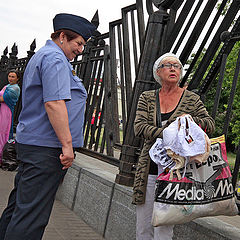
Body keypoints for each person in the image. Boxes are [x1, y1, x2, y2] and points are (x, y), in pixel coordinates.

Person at [0, 13, 96, 240]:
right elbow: (54, 103)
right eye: (79, 43)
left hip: (34, 144)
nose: (81, 50)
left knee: (20, 208)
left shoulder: (46, 55)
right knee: (32, 216)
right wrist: (67, 146)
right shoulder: (54, 59)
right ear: (62, 36)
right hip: (45, 148)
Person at [132, 52, 215, 240]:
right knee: (143, 226)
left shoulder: (191, 99)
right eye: (167, 65)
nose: (173, 69)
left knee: (165, 227)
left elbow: (209, 124)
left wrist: (191, 123)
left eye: (177, 66)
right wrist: (171, 133)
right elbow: (139, 127)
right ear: (158, 72)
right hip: (149, 170)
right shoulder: (147, 97)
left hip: (176, 172)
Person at [0, 69, 20, 165]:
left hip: (7, 111)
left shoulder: (15, 88)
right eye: (9, 76)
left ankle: (1, 156)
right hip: (2, 110)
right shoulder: (7, 86)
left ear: (17, 79)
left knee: (4, 131)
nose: (10, 78)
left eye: (13, 77)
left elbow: (3, 99)